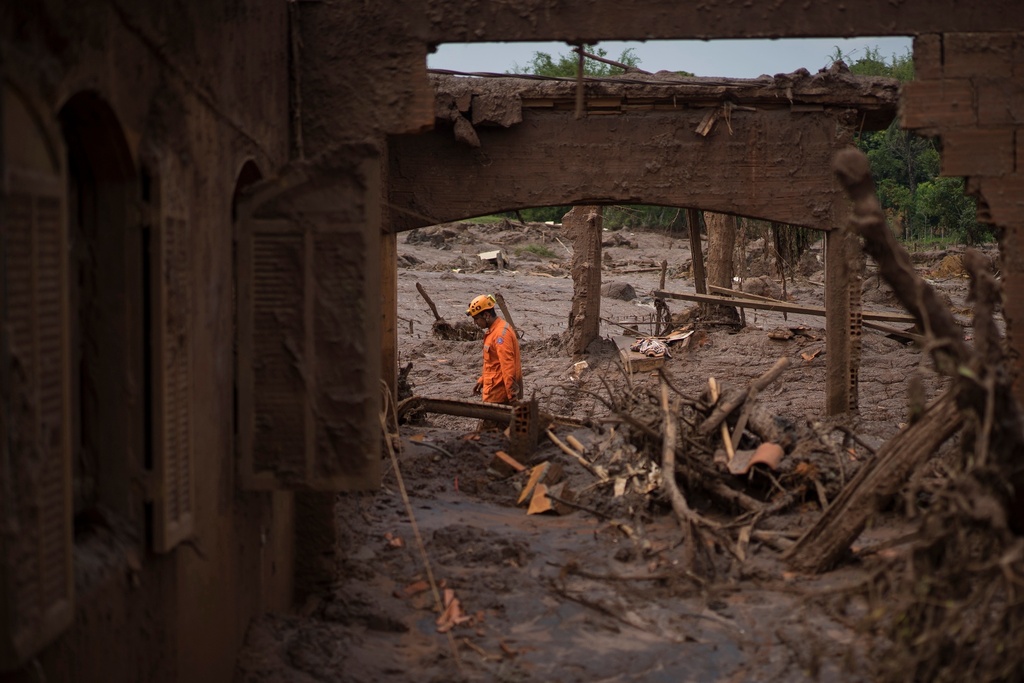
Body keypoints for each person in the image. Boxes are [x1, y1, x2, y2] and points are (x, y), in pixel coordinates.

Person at [466, 294, 522, 406]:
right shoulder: (495, 331)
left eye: (476, 319)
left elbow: (507, 366)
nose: (475, 323)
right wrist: (483, 379)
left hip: (498, 396)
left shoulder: (500, 335)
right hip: (494, 392)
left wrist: (512, 396)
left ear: (486, 315)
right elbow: (493, 363)